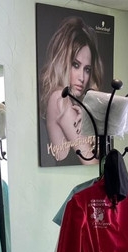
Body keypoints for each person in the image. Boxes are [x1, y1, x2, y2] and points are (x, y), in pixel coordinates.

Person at [39, 17, 104, 165]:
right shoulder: (60, 98)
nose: (82, 77)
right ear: (63, 63)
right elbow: (93, 163)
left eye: (87, 69)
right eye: (75, 65)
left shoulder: (70, 102)